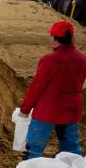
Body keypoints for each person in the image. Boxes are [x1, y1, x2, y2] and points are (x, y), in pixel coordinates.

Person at [19, 21, 86, 159]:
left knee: (34, 148)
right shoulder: (82, 59)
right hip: (72, 110)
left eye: (51, 36)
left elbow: (37, 87)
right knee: (72, 149)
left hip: (48, 110)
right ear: (71, 38)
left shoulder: (49, 60)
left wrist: (25, 109)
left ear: (55, 39)